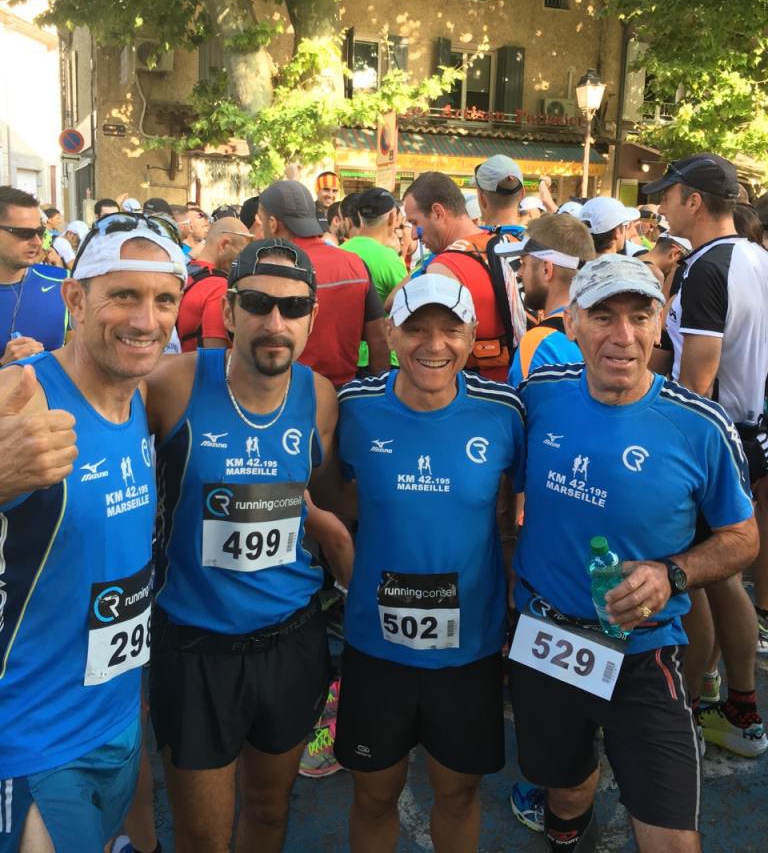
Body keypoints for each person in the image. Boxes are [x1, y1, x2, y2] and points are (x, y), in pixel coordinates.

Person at [509, 254, 757, 853]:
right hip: (547, 640)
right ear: (572, 325)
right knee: (566, 795)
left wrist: (672, 573)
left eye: (641, 316)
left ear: (660, 323)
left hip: (646, 652)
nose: (623, 337)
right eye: (603, 316)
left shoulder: (700, 424)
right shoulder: (536, 398)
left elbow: (743, 538)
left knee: (672, 834)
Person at [144, 238, 351, 853]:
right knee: (203, 837)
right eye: (258, 304)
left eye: (293, 308)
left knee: (268, 811)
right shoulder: (173, 385)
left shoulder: (319, 398)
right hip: (195, 646)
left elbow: (314, 500)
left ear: (312, 318)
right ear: (229, 311)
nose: (275, 323)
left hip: (290, 641)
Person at [0, 212, 186, 852]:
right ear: (76, 300)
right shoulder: (19, 396)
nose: (146, 320)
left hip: (115, 720)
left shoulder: (138, 396)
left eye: (164, 299)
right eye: (124, 296)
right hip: (31, 740)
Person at [325, 275, 525, 853]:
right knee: (372, 796)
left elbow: (515, 510)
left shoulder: (504, 411)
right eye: (415, 327)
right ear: (389, 333)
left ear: (470, 339)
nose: (432, 343)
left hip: (470, 650)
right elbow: (335, 497)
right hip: (375, 646)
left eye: (449, 329)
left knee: (459, 795)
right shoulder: (354, 407)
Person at [646, 152, 768, 757]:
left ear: (694, 200)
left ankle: (694, 707)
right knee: (728, 577)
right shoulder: (756, 255)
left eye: (669, 194)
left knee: (696, 577)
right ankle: (733, 700)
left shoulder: (707, 265)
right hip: (749, 429)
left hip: (711, 436)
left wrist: (660, 433)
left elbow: (696, 375)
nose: (662, 204)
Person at [258, 180, 389, 387]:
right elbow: (379, 341)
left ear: (273, 224)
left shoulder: (270, 272)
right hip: (347, 393)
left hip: (289, 396)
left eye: (261, 221)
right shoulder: (354, 263)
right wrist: (377, 395)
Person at [402, 161, 524, 382]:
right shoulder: (516, 242)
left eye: (414, 222)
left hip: (480, 392)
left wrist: (429, 265)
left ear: (438, 212)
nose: (412, 235)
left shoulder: (444, 266)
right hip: (526, 382)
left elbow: (393, 303)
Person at [508, 214, 595, 386]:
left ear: (546, 270)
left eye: (524, 264)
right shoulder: (606, 332)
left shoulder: (538, 344)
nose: (520, 273)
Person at [0, 186, 68, 367]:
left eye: (39, 232)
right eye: (24, 233)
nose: (37, 242)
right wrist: (4, 367)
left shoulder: (63, 284)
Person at [341, 187, 407, 372]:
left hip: (348, 353)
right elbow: (406, 303)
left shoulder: (341, 250)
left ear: (359, 217)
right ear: (393, 217)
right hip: (384, 357)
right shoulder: (388, 258)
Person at [176, 217, 253, 352]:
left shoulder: (188, 271)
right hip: (199, 371)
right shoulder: (218, 287)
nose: (242, 261)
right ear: (224, 245)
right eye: (241, 253)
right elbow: (216, 356)